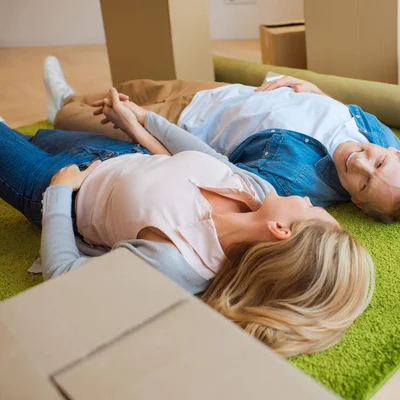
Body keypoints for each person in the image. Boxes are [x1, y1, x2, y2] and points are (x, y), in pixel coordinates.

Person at [0, 117, 374, 357]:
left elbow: (64, 276)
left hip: (54, 182)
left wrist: (59, 192)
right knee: (32, 132)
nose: (307, 198)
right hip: (119, 152)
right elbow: (204, 155)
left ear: (280, 230)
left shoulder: (177, 263)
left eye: (310, 208)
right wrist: (141, 121)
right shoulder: (259, 193)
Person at [44, 57, 400, 222]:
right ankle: (70, 94)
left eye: (365, 182)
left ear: (358, 203)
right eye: (380, 161)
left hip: (185, 122)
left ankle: (61, 103)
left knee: (92, 112)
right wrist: (314, 91)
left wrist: (137, 128)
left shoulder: (294, 184)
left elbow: (209, 170)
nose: (360, 163)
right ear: (394, 151)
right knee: (140, 85)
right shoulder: (383, 136)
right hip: (227, 93)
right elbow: (348, 111)